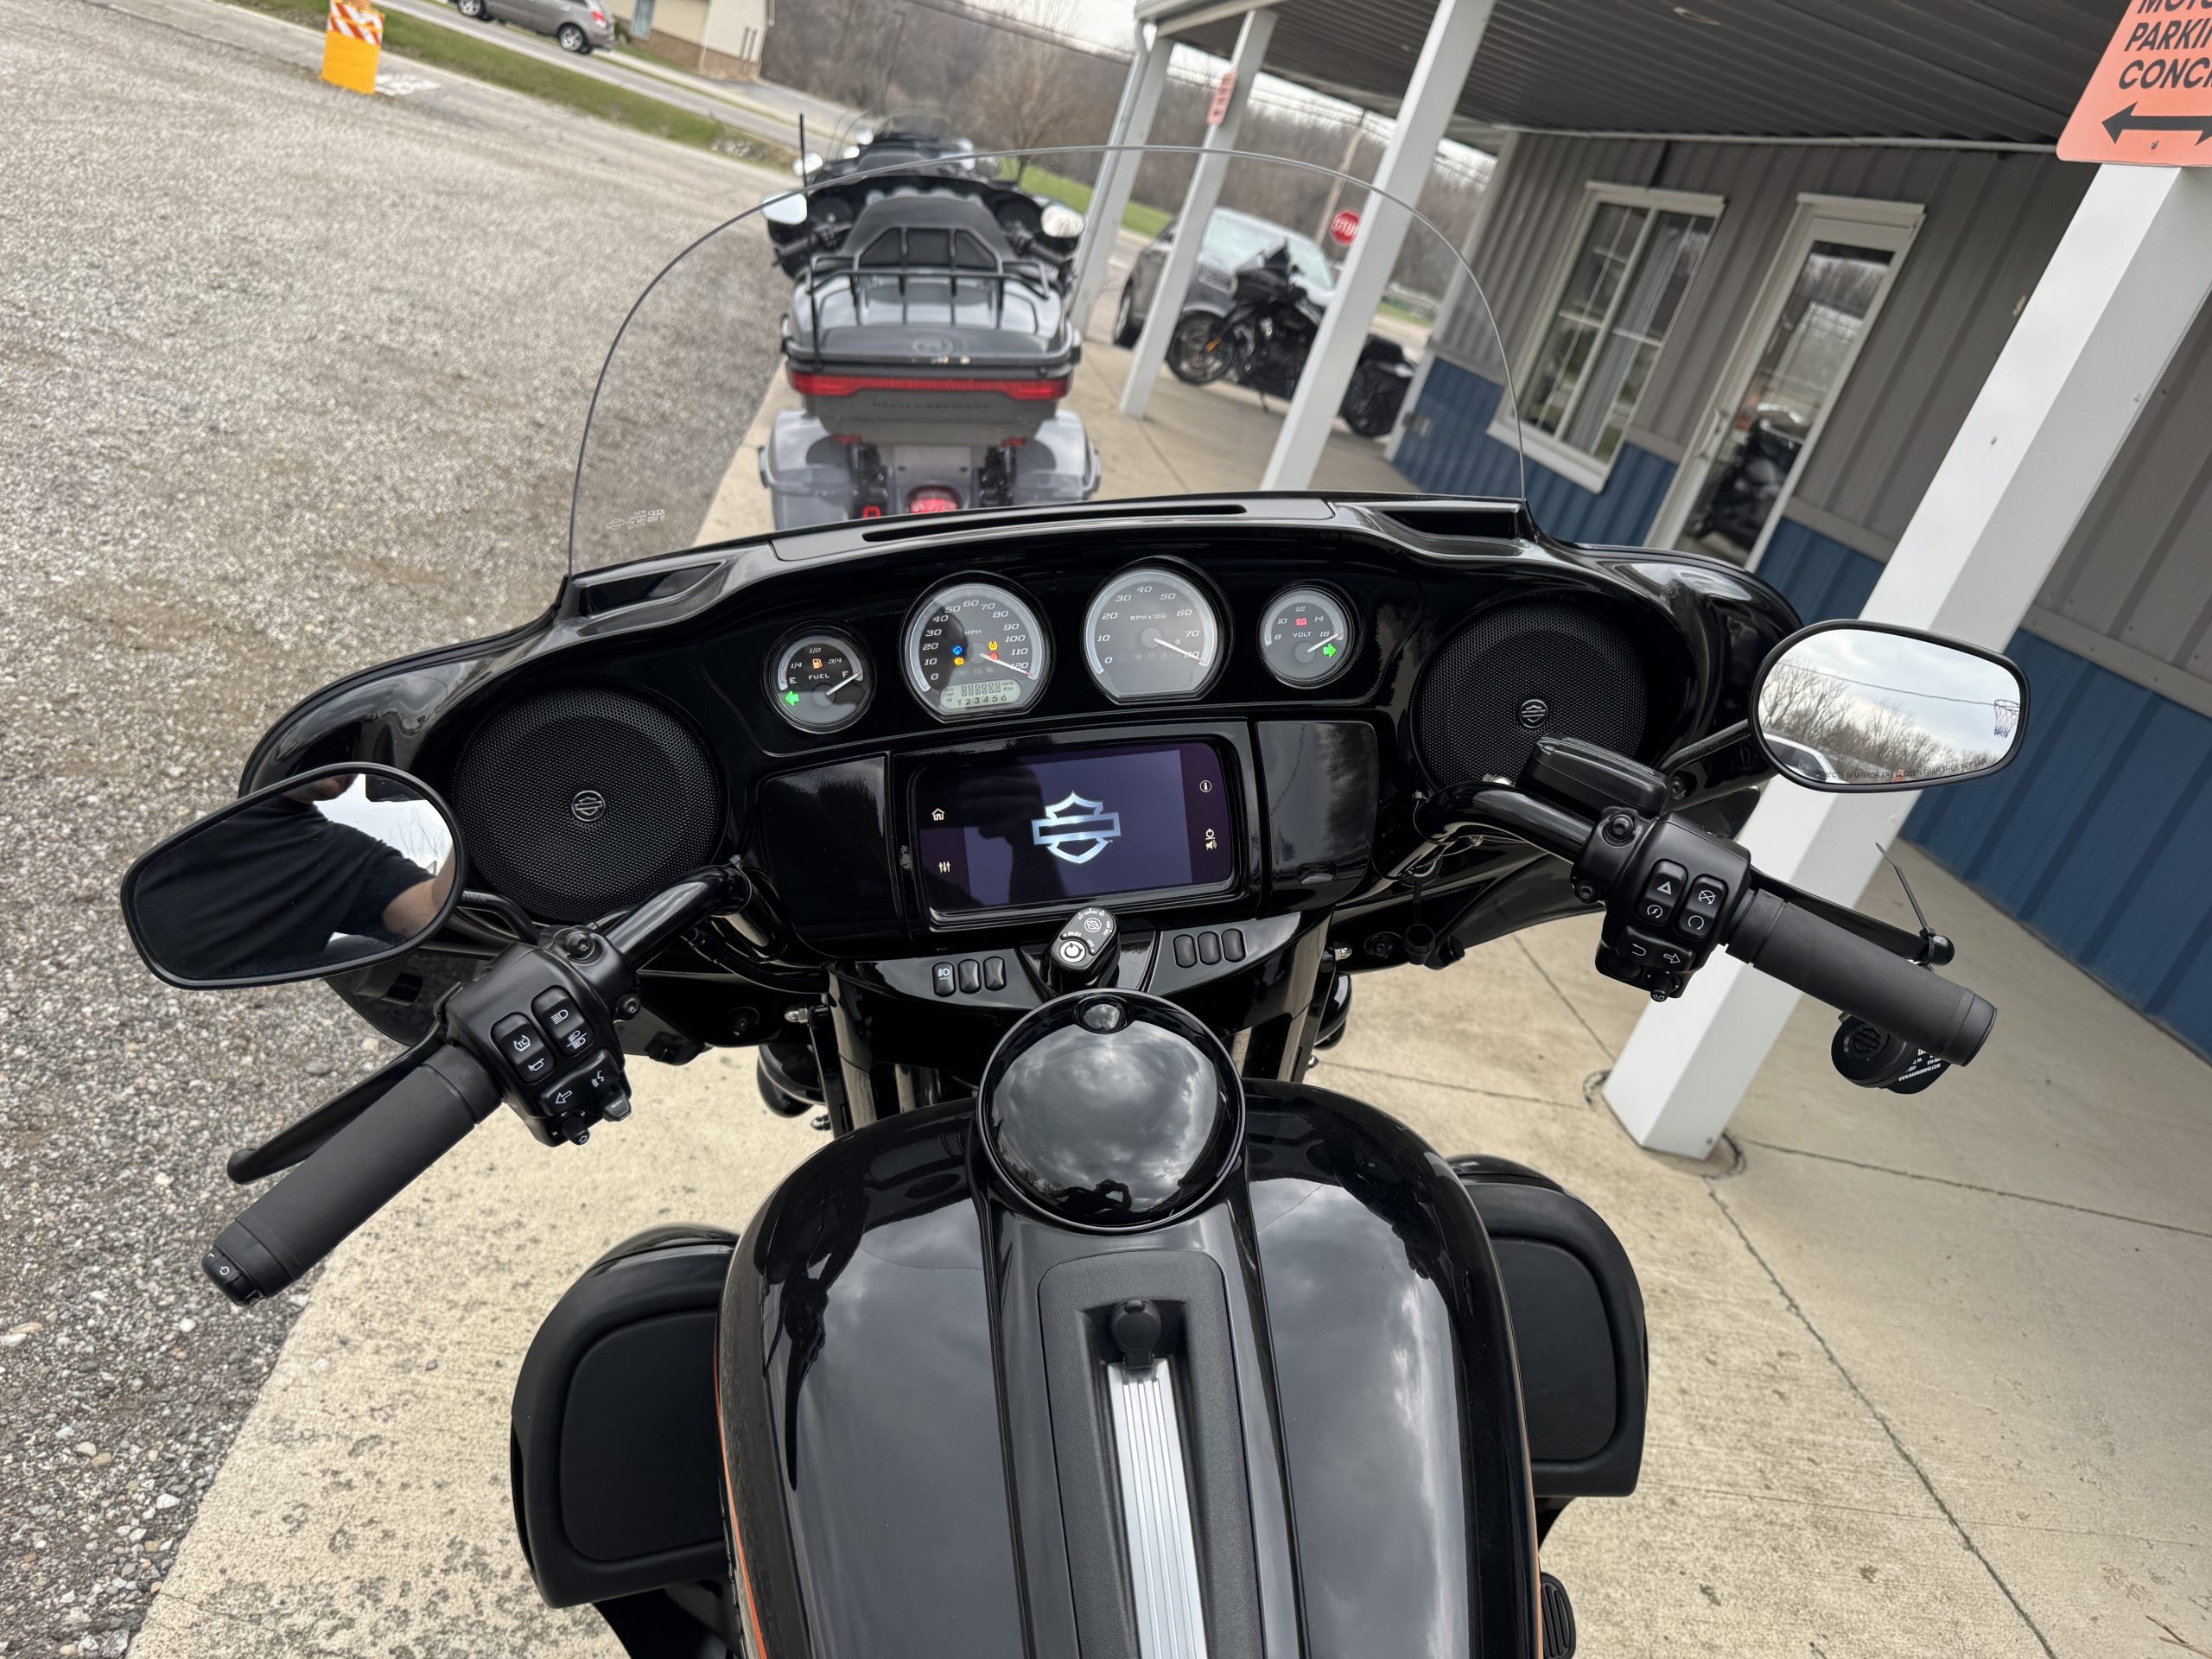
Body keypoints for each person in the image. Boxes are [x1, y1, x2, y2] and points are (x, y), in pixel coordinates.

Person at [130, 774, 454, 982]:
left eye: (357, 754)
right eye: (334, 742)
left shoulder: (348, 851)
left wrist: (464, 814)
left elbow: (428, 912)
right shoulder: (202, 807)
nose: (347, 766)